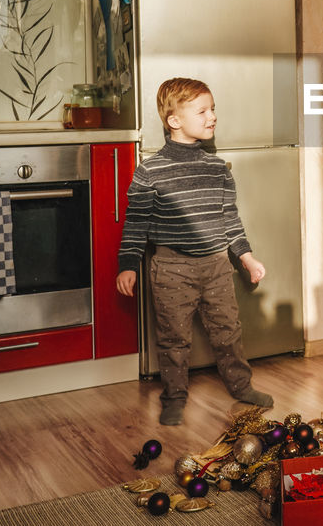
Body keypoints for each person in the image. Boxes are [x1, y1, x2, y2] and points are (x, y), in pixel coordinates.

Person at [116, 77, 274, 426]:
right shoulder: (150, 171)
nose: (212, 116)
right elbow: (136, 224)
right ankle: (174, 396)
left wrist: (246, 256)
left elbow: (230, 218)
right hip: (171, 268)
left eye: (213, 109)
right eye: (202, 111)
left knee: (228, 330)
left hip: (217, 265)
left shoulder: (217, 168)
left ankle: (242, 385)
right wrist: (128, 265)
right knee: (173, 338)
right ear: (174, 121)